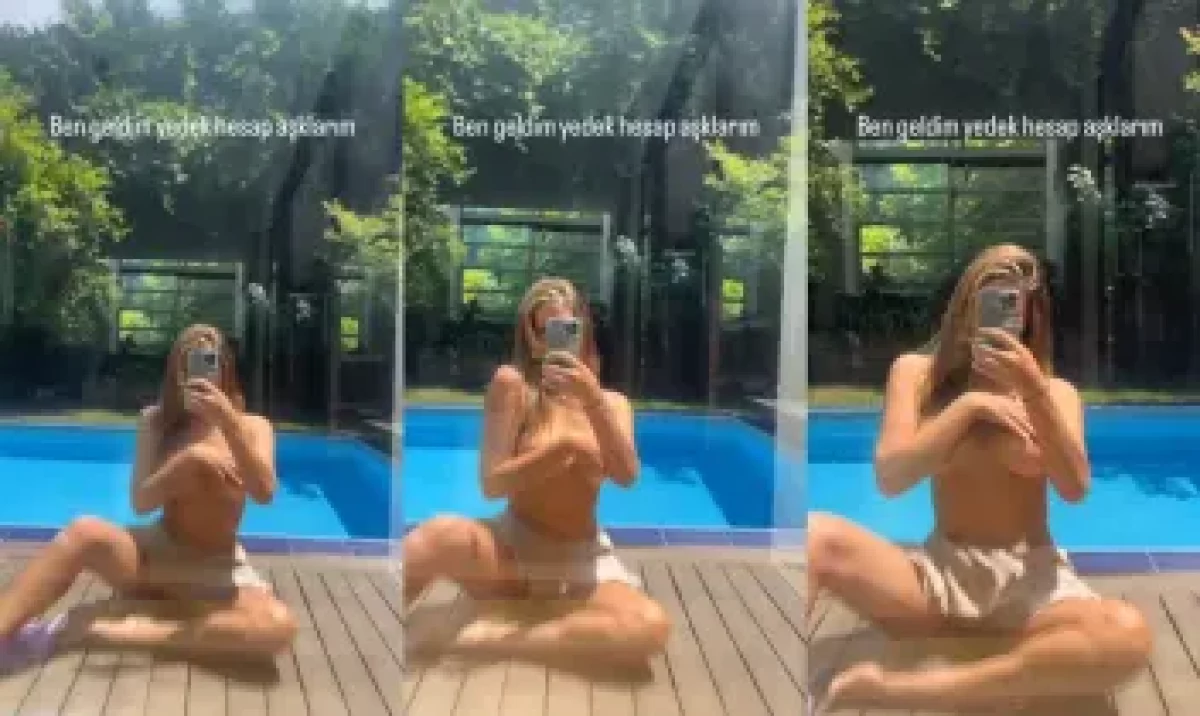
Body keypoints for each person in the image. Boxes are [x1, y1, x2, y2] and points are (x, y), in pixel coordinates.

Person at [807, 244, 1151, 711]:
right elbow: (892, 476)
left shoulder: (1054, 393)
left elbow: (1075, 487)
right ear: (965, 304)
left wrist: (1033, 391)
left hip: (1032, 584)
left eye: (1013, 303)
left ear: (1032, 314)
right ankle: (1014, 676)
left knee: (1125, 633)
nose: (999, 314)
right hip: (939, 580)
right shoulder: (918, 376)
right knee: (814, 536)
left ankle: (912, 690)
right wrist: (969, 408)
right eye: (987, 298)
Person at [402, 277, 670, 666]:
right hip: (513, 552)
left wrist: (592, 401)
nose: (553, 341)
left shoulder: (612, 403)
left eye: (565, 328)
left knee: (649, 626)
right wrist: (558, 451)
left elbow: (627, 476)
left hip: (582, 560)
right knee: (438, 535)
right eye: (541, 330)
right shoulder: (513, 387)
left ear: (584, 329)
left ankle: (502, 642)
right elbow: (492, 485)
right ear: (528, 335)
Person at [0, 324, 296, 668]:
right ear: (175, 371)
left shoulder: (253, 426)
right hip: (156, 556)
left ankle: (120, 630)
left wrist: (228, 423)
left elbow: (264, 492)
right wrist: (186, 462)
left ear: (224, 369)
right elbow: (141, 503)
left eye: (209, 361)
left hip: (217, 566)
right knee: (83, 532)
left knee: (278, 626)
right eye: (188, 363)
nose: (198, 372)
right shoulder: (155, 422)